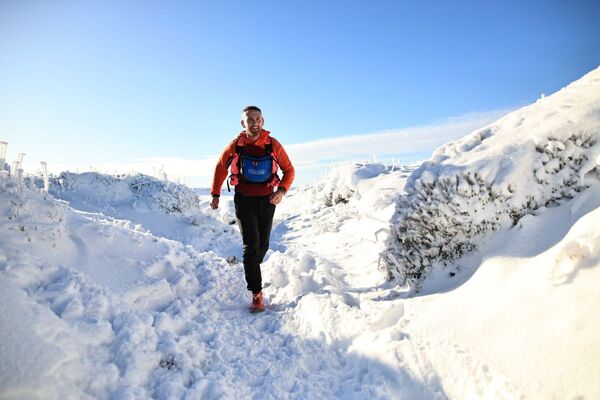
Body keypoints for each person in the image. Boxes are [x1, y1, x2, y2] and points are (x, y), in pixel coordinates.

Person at [210, 106, 295, 313]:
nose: (254, 122)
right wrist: (215, 194)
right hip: (244, 200)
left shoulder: (273, 145)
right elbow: (221, 168)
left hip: (267, 200)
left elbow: (289, 170)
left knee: (262, 247)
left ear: (263, 121)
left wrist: (282, 191)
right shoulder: (235, 146)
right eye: (249, 119)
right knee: (250, 247)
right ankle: (256, 294)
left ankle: (251, 267)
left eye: (257, 118)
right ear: (243, 123)